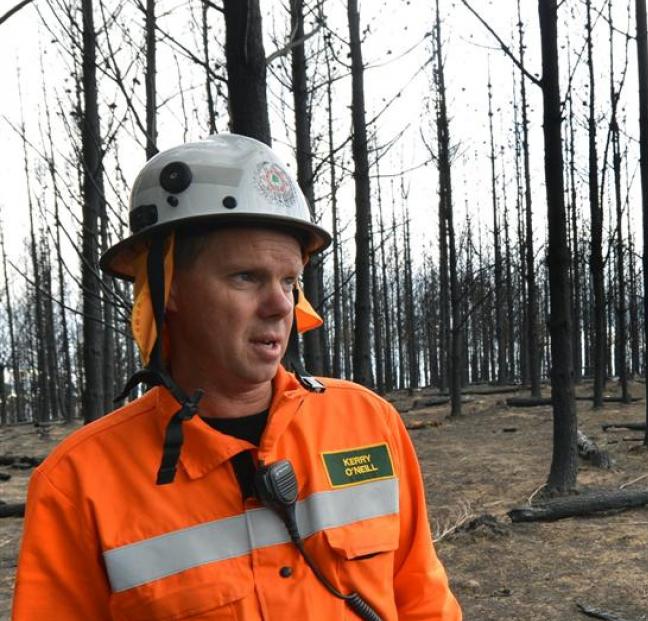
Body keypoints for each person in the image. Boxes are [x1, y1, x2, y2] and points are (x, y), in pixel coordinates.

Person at [12, 134, 462, 620]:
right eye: (246, 277)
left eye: (290, 280)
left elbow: (424, 602)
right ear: (169, 288)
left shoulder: (368, 423)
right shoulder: (78, 484)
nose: (280, 305)